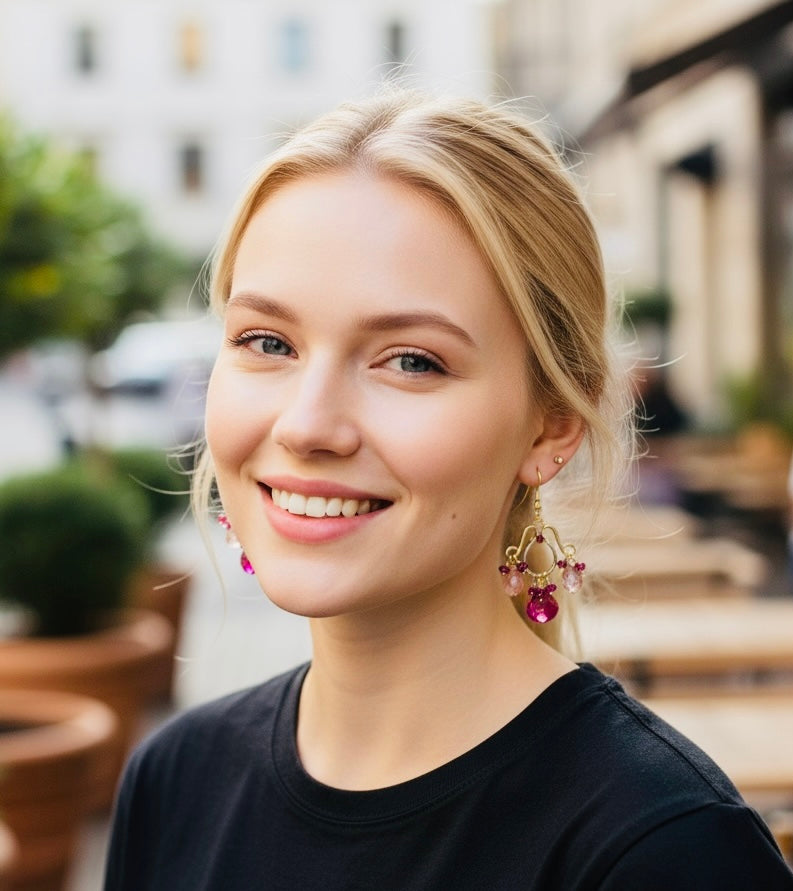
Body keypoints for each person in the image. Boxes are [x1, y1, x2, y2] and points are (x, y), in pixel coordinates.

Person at [103, 90, 793, 889]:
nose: (307, 424)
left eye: (410, 360)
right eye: (267, 341)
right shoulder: (173, 779)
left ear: (550, 427)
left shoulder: (662, 852)